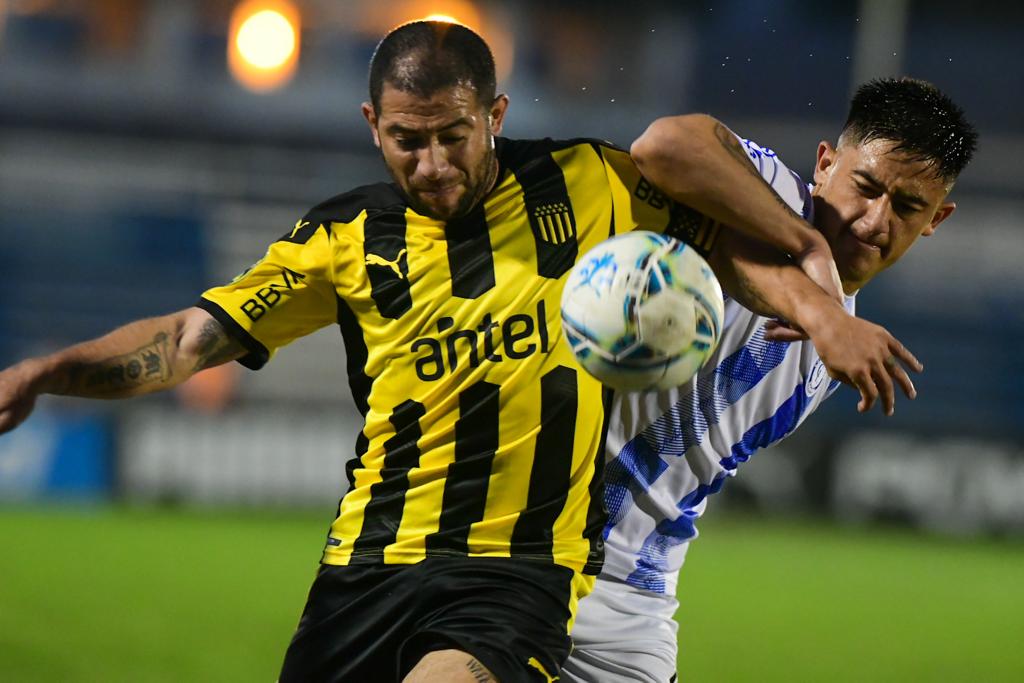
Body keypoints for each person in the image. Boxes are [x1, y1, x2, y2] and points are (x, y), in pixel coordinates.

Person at [0, 21, 918, 683]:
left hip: (515, 574)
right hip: (365, 565)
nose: (433, 162)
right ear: (372, 125)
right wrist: (47, 371)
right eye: (408, 140)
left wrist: (822, 310)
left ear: (495, 114)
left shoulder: (588, 186)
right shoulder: (342, 239)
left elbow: (723, 239)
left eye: (454, 135)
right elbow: (185, 339)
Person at [560, 77, 978, 683]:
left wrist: (830, 317)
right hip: (528, 547)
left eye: (908, 207)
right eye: (864, 187)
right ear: (825, 164)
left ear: (936, 218)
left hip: (631, 603)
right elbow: (665, 146)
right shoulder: (767, 189)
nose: (873, 220)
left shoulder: (835, 359)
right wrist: (809, 252)